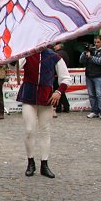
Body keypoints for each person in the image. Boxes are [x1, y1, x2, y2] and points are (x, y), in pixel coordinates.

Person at [17, 50, 72, 178]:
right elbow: (15, 66)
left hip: (46, 97)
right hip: (29, 95)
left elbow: (66, 78)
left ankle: (44, 163)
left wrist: (59, 92)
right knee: (29, 130)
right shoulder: (27, 54)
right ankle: (30, 162)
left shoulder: (54, 57)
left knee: (45, 130)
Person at [79, 35, 101, 121]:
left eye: (98, 42)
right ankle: (94, 111)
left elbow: (100, 61)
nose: (96, 44)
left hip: (99, 76)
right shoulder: (90, 50)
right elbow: (81, 60)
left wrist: (91, 57)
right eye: (95, 42)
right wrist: (84, 53)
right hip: (89, 75)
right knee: (91, 95)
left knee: (100, 94)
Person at [53, 42, 70, 113]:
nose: (54, 47)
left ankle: (59, 107)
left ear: (59, 46)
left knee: (58, 91)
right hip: (61, 74)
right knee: (60, 91)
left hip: (57, 75)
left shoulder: (57, 54)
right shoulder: (65, 53)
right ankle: (65, 107)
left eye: (56, 45)